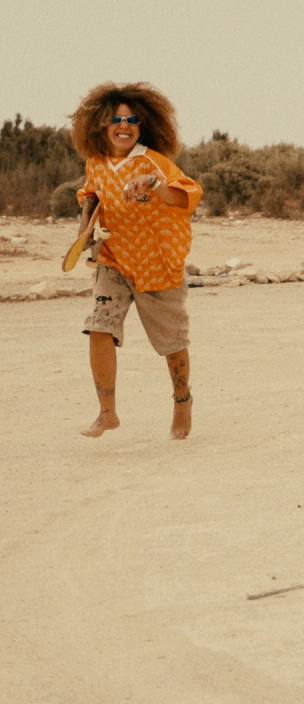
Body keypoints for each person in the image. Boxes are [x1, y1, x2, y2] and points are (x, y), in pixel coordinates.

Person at [69, 83, 202, 439]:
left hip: (158, 266)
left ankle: (182, 400)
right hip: (113, 260)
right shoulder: (96, 163)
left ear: (143, 126)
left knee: (171, 343)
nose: (123, 126)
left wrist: (154, 184)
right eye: (116, 119)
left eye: (132, 120)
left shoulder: (153, 162)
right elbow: (90, 193)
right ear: (101, 124)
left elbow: (186, 197)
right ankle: (107, 413)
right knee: (99, 326)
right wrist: (84, 230)